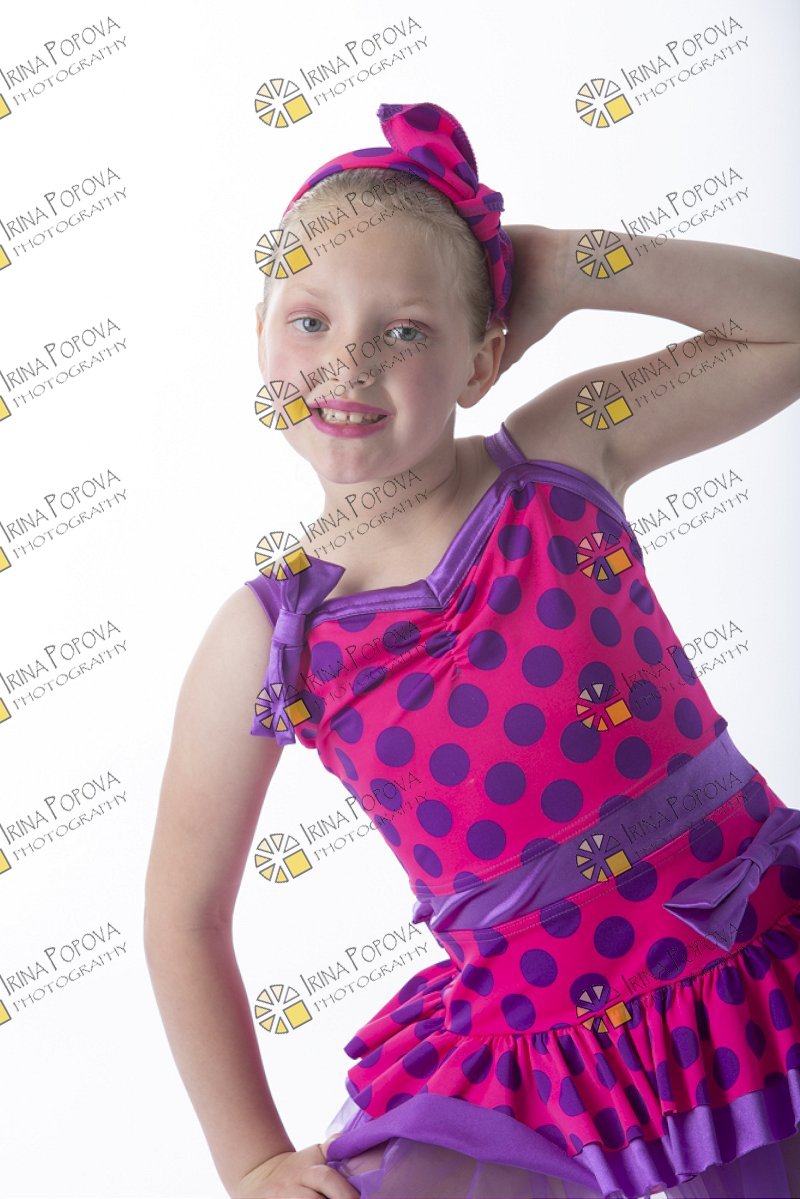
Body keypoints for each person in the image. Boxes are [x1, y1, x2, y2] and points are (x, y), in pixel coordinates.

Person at [144, 101, 800, 1199]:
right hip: (540, 1061)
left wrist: (574, 266)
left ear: (483, 358)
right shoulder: (269, 637)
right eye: (309, 320)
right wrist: (252, 1157)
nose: (348, 362)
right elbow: (184, 913)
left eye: (404, 331)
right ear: (257, 336)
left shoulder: (565, 454)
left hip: (763, 963)